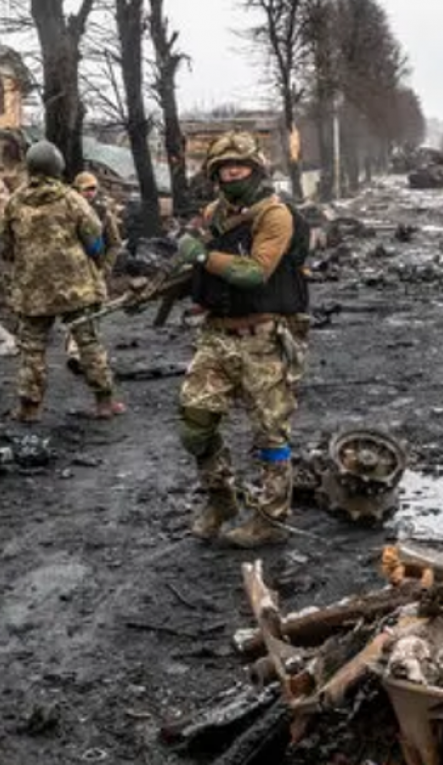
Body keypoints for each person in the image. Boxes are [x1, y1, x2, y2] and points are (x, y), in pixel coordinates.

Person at [175, 132, 310, 548]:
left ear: (256, 169)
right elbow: (198, 266)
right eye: (224, 168)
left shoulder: (275, 214)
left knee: (271, 433)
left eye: (240, 166)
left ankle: (271, 517)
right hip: (217, 334)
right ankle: (221, 500)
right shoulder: (214, 213)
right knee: (195, 424)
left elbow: (254, 273)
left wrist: (201, 255)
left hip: (263, 336)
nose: (232, 173)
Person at [0, 141, 124, 422]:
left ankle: (29, 408)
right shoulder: (71, 199)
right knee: (88, 342)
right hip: (76, 287)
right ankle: (104, 402)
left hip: (32, 289)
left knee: (32, 348)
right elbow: (94, 238)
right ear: (58, 167)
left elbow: (5, 247)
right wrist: (95, 261)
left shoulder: (14, 202)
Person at [65, 172, 123, 375]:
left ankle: (88, 356)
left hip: (95, 270)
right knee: (76, 313)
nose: (90, 193)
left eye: (93, 189)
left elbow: (114, 243)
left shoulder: (102, 212)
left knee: (95, 312)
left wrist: (106, 267)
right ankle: (77, 353)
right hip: (72, 270)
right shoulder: (66, 210)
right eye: (86, 189)